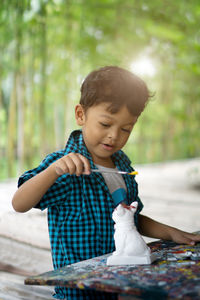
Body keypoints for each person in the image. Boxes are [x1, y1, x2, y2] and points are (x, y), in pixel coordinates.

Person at [12, 66, 200, 300]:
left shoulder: (123, 166)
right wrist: (53, 171)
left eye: (125, 129)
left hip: (116, 285)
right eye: (105, 124)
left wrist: (172, 233)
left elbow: (131, 220)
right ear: (81, 115)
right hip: (77, 291)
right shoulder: (63, 167)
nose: (114, 135)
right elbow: (19, 203)